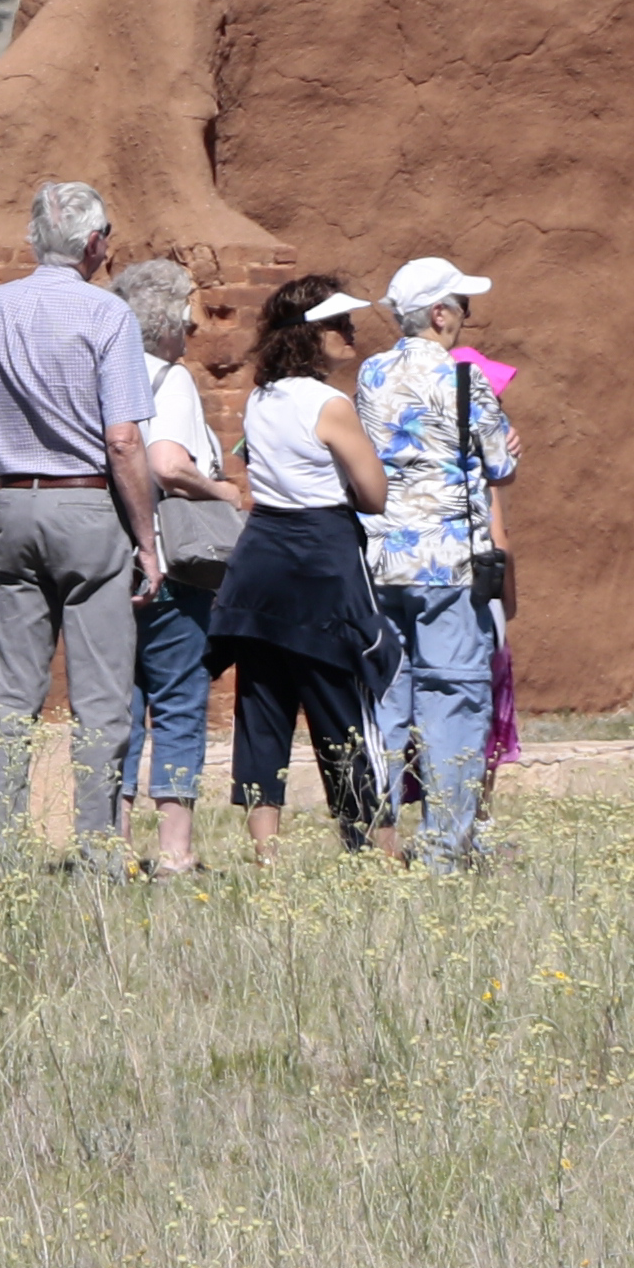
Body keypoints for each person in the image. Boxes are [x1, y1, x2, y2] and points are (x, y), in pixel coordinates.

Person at [0, 182, 165, 871]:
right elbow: (125, 441)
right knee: (102, 697)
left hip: (14, 502)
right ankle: (100, 852)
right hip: (87, 504)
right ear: (95, 243)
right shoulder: (109, 314)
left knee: (13, 697)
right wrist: (146, 539)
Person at [205, 274, 391, 855]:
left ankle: (266, 855)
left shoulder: (259, 398)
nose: (350, 332)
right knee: (344, 704)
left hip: (261, 561)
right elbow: (374, 493)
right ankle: (376, 850)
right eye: (338, 324)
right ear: (310, 336)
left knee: (262, 704)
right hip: (320, 559)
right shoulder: (330, 404)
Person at [348, 253, 519, 869]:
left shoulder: (369, 374)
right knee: (454, 700)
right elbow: (501, 464)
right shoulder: (465, 380)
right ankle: (445, 848)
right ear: (440, 314)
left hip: (381, 557)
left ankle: (378, 844)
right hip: (448, 564)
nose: (466, 319)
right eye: (462, 307)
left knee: (389, 700)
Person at [110, 256, 233, 876]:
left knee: (119, 706)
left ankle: (116, 844)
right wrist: (227, 493)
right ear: (165, 319)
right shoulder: (170, 380)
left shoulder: (103, 376)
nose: (193, 329)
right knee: (180, 699)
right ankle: (175, 851)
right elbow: (166, 463)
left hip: (110, 562)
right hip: (172, 565)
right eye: (188, 315)